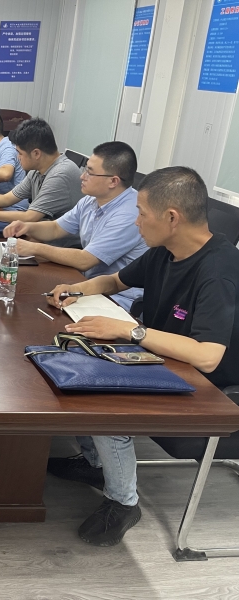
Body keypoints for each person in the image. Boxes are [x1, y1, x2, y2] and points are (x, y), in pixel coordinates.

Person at [46, 166, 239, 547]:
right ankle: (96, 463)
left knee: (106, 397)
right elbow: (115, 281)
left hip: (209, 386)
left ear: (172, 218)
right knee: (74, 357)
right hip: (166, 357)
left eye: (142, 213)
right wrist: (76, 290)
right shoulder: (166, 251)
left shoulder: (218, 270)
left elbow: (208, 356)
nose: (137, 222)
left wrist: (130, 332)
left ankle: (124, 502)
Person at [3, 141, 147, 310]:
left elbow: (85, 260)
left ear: (113, 181)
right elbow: (56, 228)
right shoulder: (91, 200)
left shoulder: (129, 214)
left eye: (90, 172)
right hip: (88, 285)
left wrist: (34, 248)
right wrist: (28, 227)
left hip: (118, 299)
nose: (82, 176)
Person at [0, 118, 83, 221]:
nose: (17, 157)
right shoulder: (37, 171)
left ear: (36, 153)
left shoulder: (59, 174)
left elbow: (29, 217)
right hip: (40, 231)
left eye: (20, 153)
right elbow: (6, 199)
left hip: (58, 239)